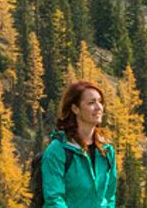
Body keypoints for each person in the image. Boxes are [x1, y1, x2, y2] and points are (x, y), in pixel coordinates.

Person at [39, 80, 116, 208]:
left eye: (100, 101)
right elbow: (54, 200)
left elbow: (109, 197)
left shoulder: (106, 150)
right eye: (91, 103)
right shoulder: (57, 150)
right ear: (75, 108)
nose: (99, 107)